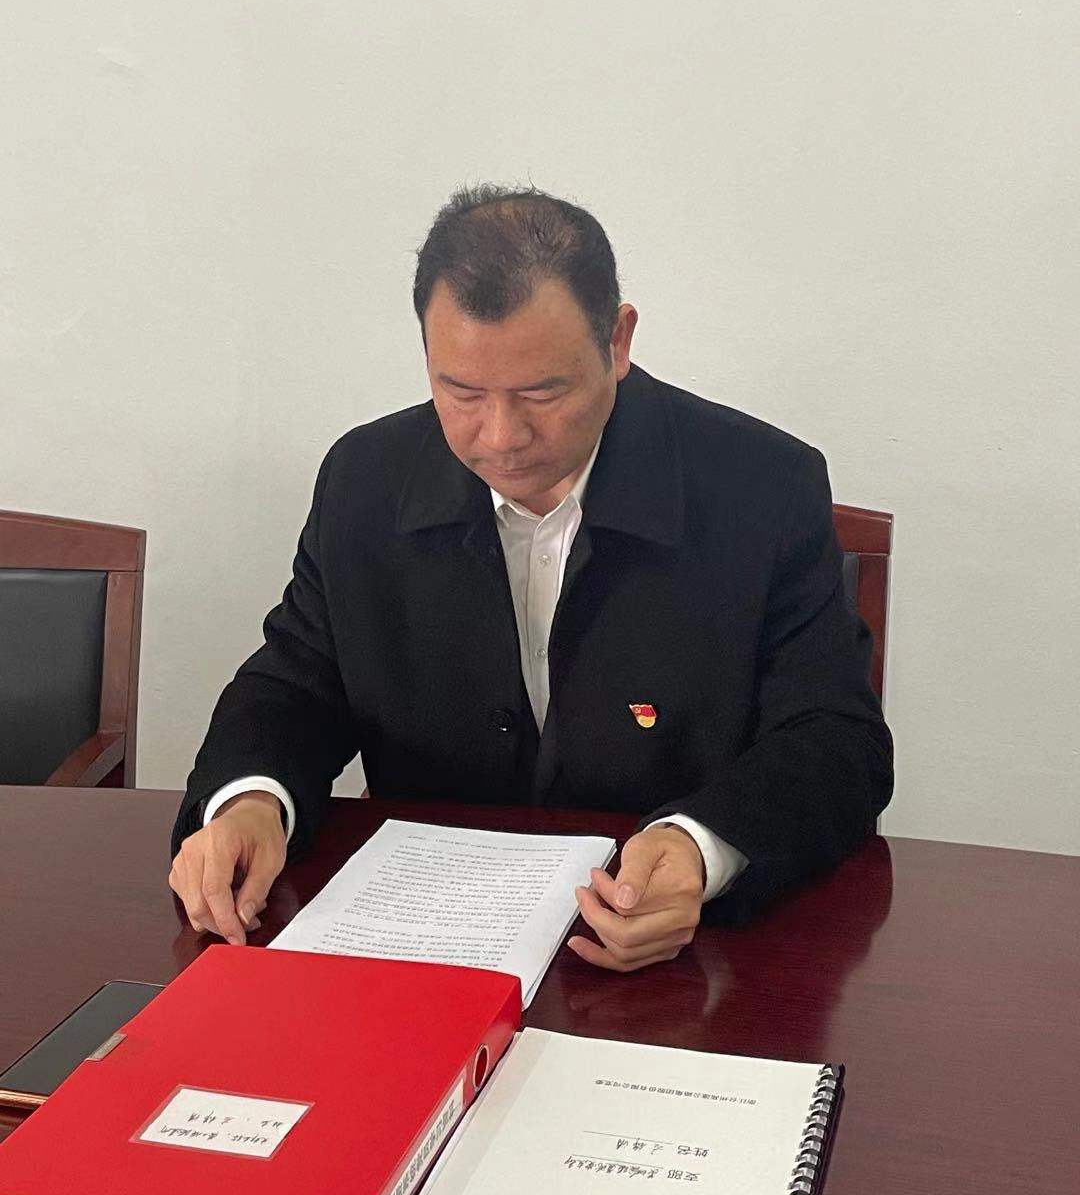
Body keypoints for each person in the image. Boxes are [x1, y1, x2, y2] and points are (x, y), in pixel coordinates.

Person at [170, 185, 893, 972]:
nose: (501, 437)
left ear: (617, 340)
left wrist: (699, 846)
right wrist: (251, 799)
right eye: (461, 392)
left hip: (679, 962)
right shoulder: (366, 480)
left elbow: (836, 740)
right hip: (425, 944)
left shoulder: (761, 487)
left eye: (543, 392)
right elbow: (296, 683)